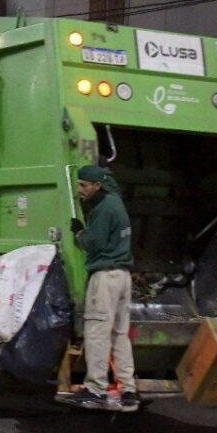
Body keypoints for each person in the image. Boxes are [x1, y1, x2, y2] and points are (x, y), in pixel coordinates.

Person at [66, 165, 138, 412]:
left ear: (98, 185)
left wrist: (79, 233)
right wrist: (105, 168)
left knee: (97, 332)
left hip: (104, 278)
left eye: (84, 185)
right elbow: (112, 184)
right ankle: (128, 389)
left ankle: (95, 389)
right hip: (123, 277)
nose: (80, 190)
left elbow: (93, 243)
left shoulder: (103, 210)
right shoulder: (115, 200)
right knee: (120, 334)